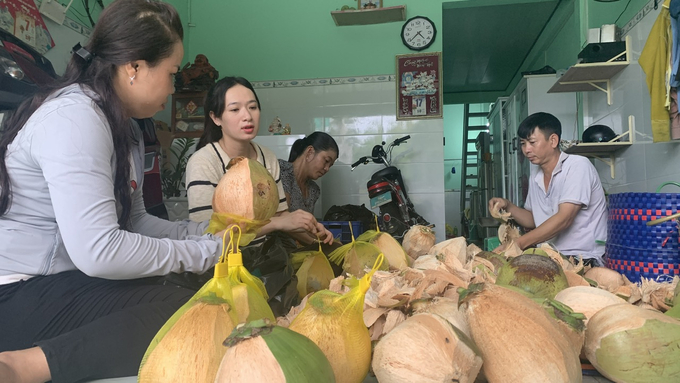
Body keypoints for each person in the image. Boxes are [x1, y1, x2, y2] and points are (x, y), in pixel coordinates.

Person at [0, 1, 227, 382]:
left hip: (64, 283)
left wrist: (209, 235)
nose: (173, 88)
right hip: (19, 295)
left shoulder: (124, 126)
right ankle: (22, 366)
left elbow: (136, 223)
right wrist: (204, 252)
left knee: (196, 293)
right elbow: (99, 252)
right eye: (171, 73)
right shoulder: (76, 117)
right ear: (134, 67)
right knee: (194, 309)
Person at [185, 76, 333, 245]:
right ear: (216, 118)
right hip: (221, 265)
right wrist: (278, 223)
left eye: (253, 107)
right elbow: (207, 234)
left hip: (259, 261)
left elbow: (280, 214)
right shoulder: (203, 162)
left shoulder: (267, 156)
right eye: (235, 110)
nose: (247, 116)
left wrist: (310, 227)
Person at [488, 112, 608, 266]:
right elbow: (533, 220)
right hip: (550, 256)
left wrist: (518, 244)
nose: (526, 150)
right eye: (523, 143)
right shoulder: (536, 174)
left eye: (532, 142)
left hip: (582, 258)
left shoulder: (578, 166)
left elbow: (564, 219)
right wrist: (508, 205)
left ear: (553, 140)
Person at [279, 132, 338, 214]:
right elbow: (282, 217)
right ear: (310, 152)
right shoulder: (282, 172)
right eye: (326, 161)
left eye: (330, 165)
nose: (327, 169)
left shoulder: (313, 190)